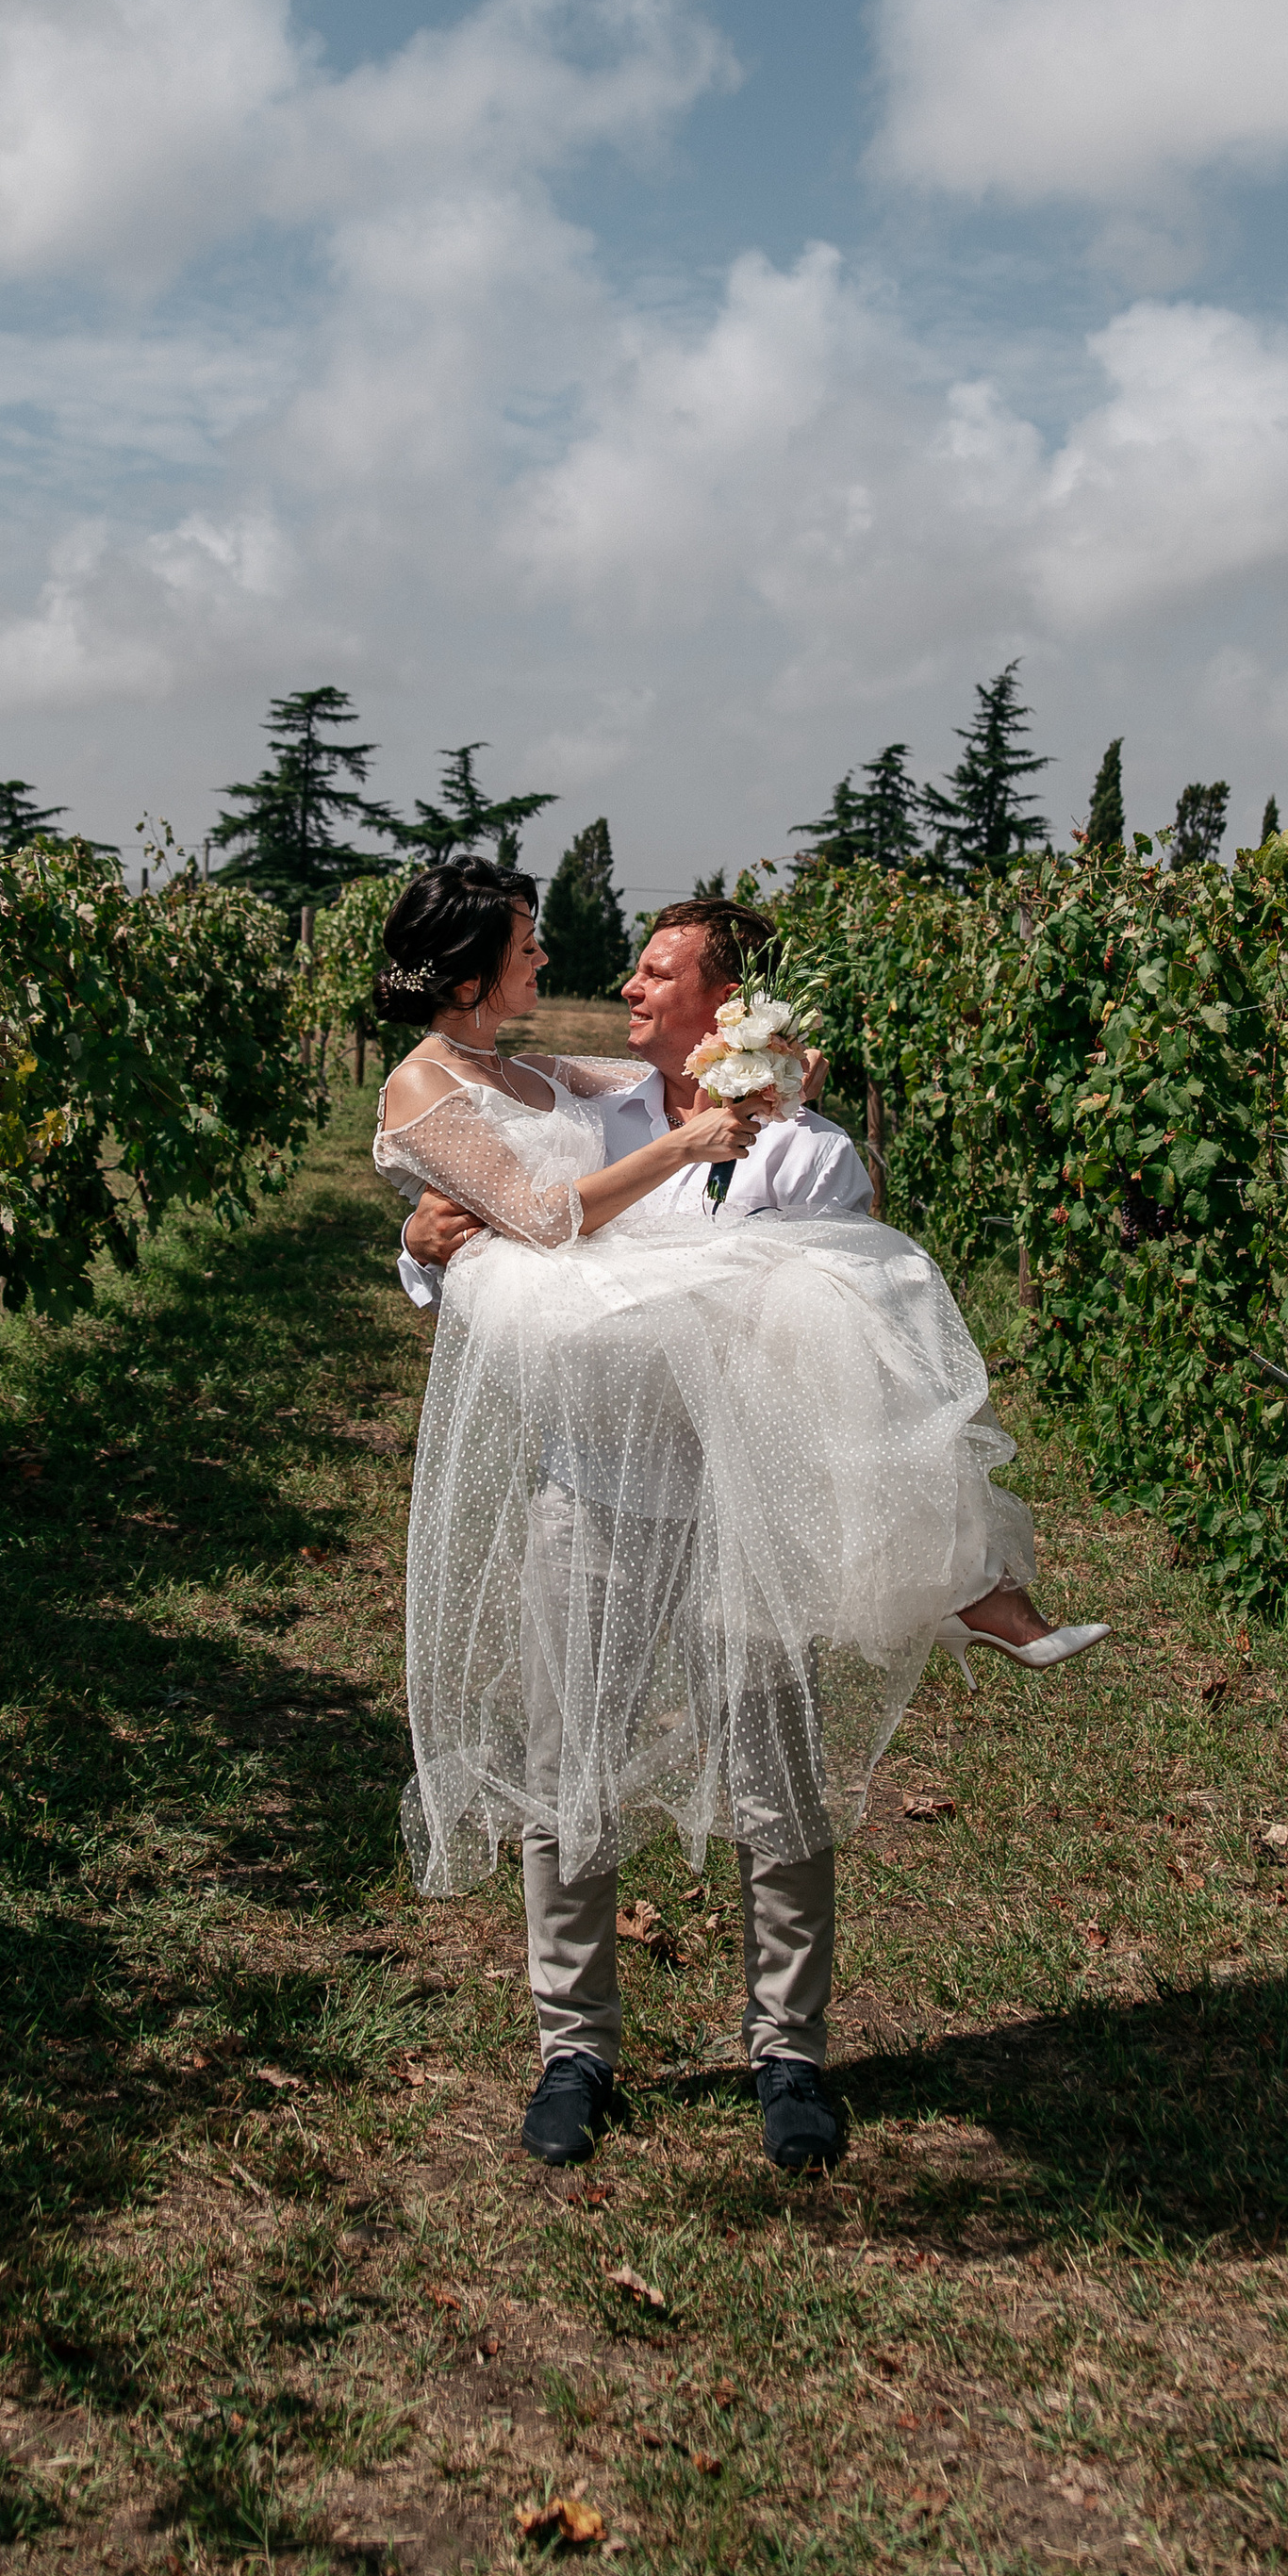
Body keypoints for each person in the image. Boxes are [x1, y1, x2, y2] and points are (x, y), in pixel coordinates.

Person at [373, 869, 1106, 2177]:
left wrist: (765, 1099)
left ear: (728, 1007)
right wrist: (425, 1246)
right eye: (620, 965)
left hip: (744, 1493)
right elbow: (491, 1217)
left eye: (658, 971)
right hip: (589, 1481)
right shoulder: (582, 1108)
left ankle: (790, 2054)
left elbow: (845, 1322)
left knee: (776, 1777)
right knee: (570, 1767)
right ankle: (573, 2051)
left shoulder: (798, 1149)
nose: (622, 984)